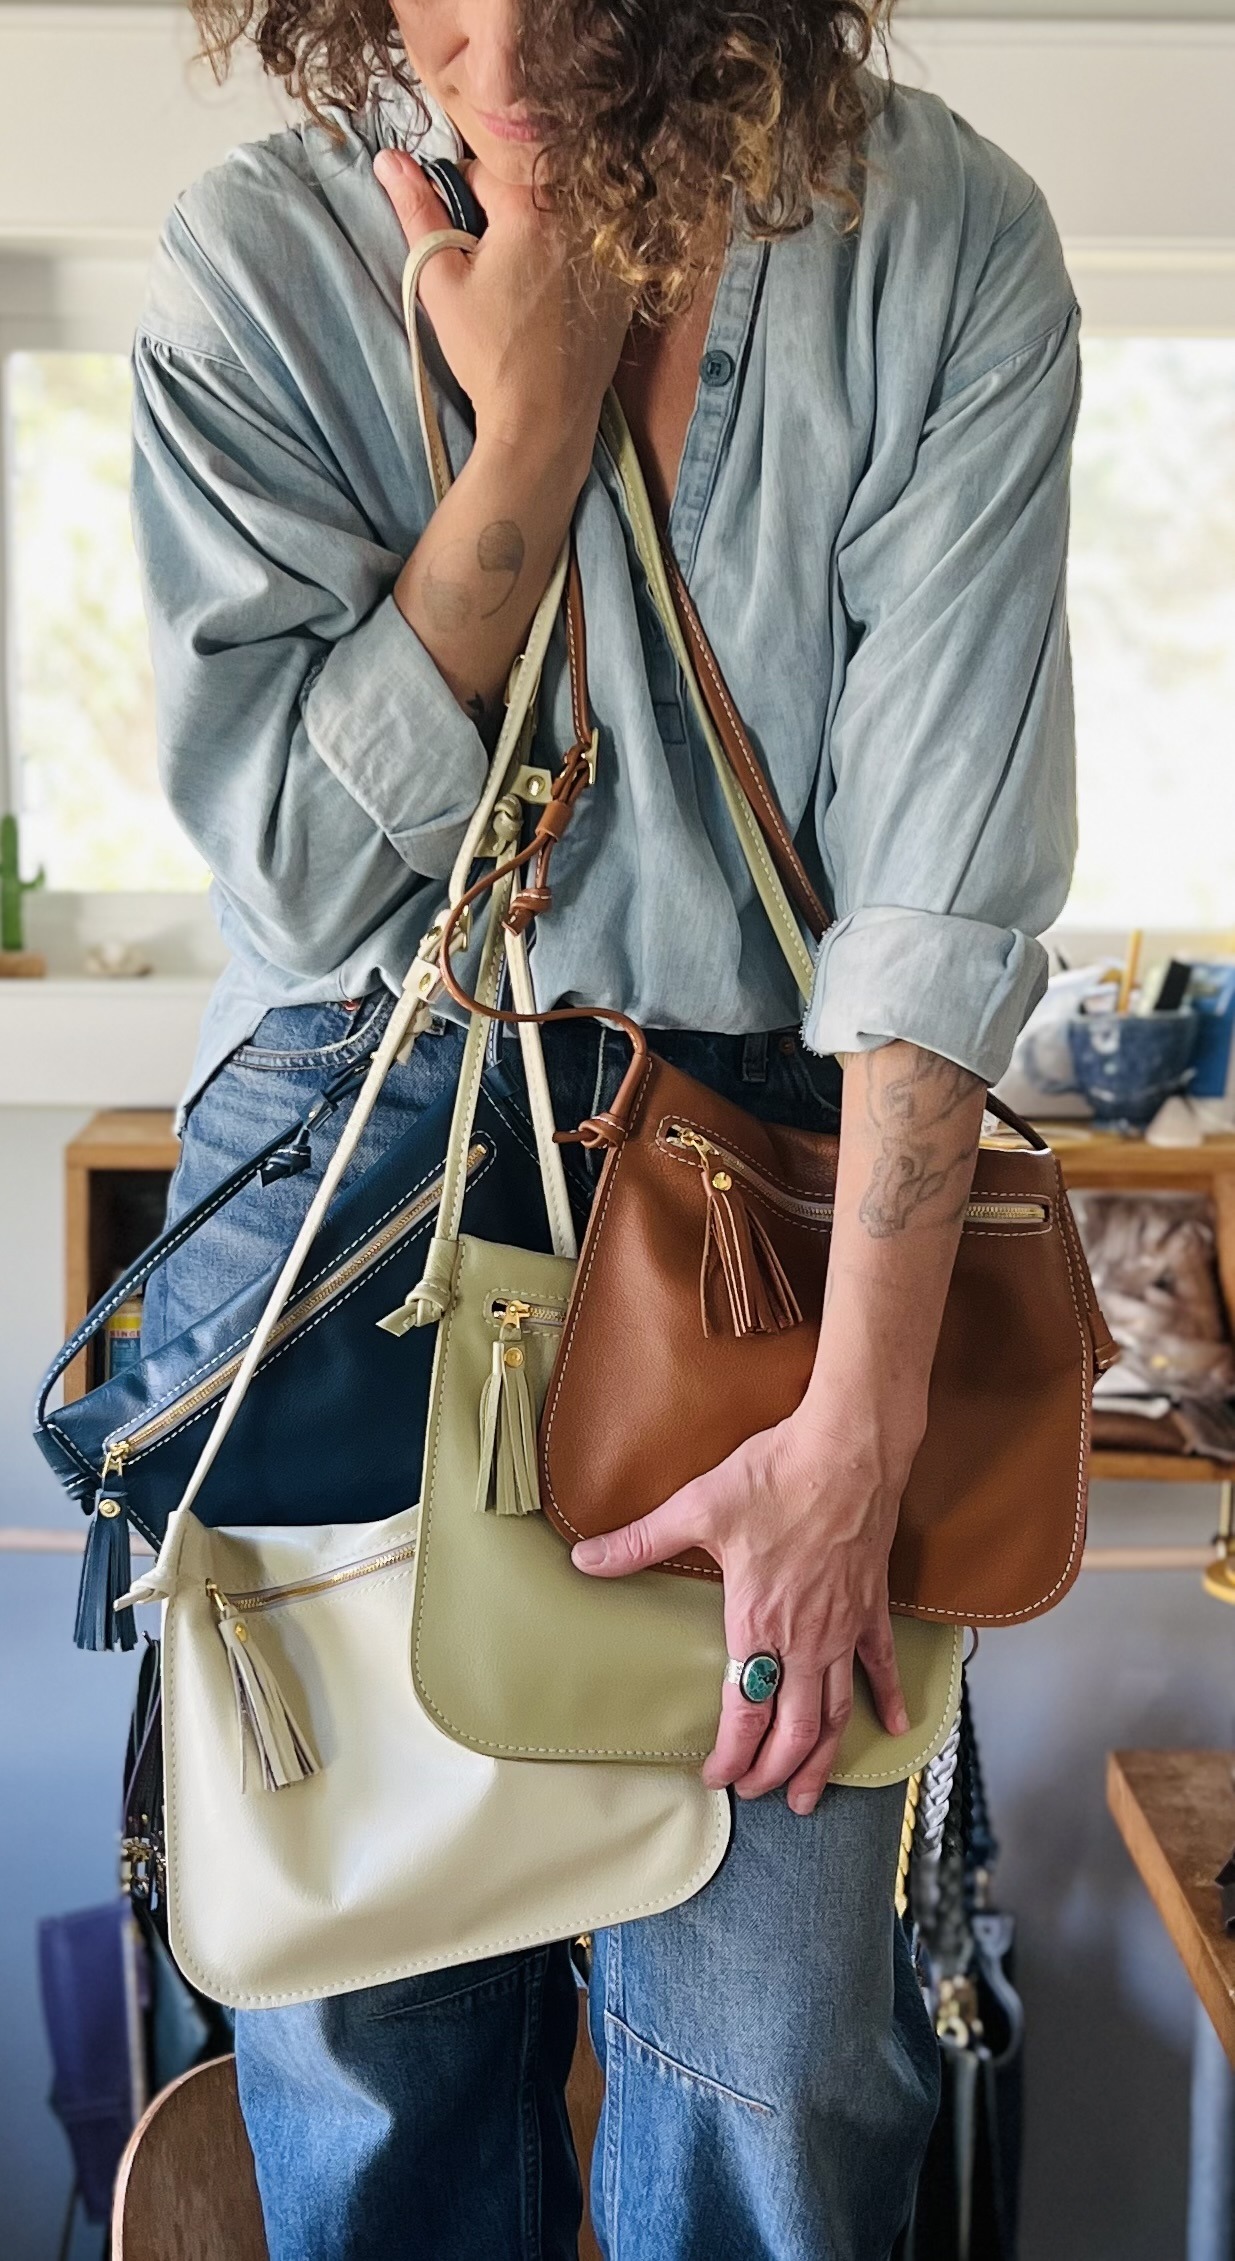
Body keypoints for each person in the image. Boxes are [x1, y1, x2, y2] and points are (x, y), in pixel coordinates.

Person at [130, 0, 1078, 2247]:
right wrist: (530, 439)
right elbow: (293, 873)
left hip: (780, 1291)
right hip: (356, 1240)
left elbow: (939, 899)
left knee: (775, 2112)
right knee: (369, 2110)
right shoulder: (260, 261)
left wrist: (857, 1435)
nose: (511, 34)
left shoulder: (935, 238)